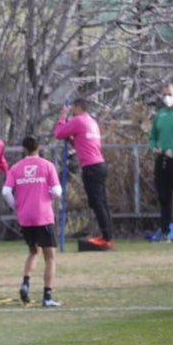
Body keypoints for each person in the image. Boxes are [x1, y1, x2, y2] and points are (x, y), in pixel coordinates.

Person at [2, 136, 63, 307]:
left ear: (24, 149)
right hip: (43, 215)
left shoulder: (16, 168)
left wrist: (17, 207)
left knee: (33, 251)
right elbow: (57, 191)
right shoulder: (47, 166)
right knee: (50, 257)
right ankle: (47, 296)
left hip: (25, 217)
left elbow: (6, 192)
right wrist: (47, 196)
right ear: (38, 147)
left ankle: (26, 283)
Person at [53, 98, 114, 248]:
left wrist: (62, 116)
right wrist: (73, 140)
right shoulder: (92, 122)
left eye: (73, 108)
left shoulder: (78, 120)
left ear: (78, 107)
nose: (72, 111)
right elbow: (85, 143)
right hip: (99, 164)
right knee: (101, 202)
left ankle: (106, 237)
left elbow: (59, 133)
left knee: (97, 202)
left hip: (91, 167)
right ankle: (108, 235)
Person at [148, 82, 173, 242]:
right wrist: (154, 147)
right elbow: (153, 136)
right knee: (163, 196)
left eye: (169, 94)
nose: (167, 97)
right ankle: (165, 231)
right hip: (161, 158)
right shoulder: (159, 115)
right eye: (164, 95)